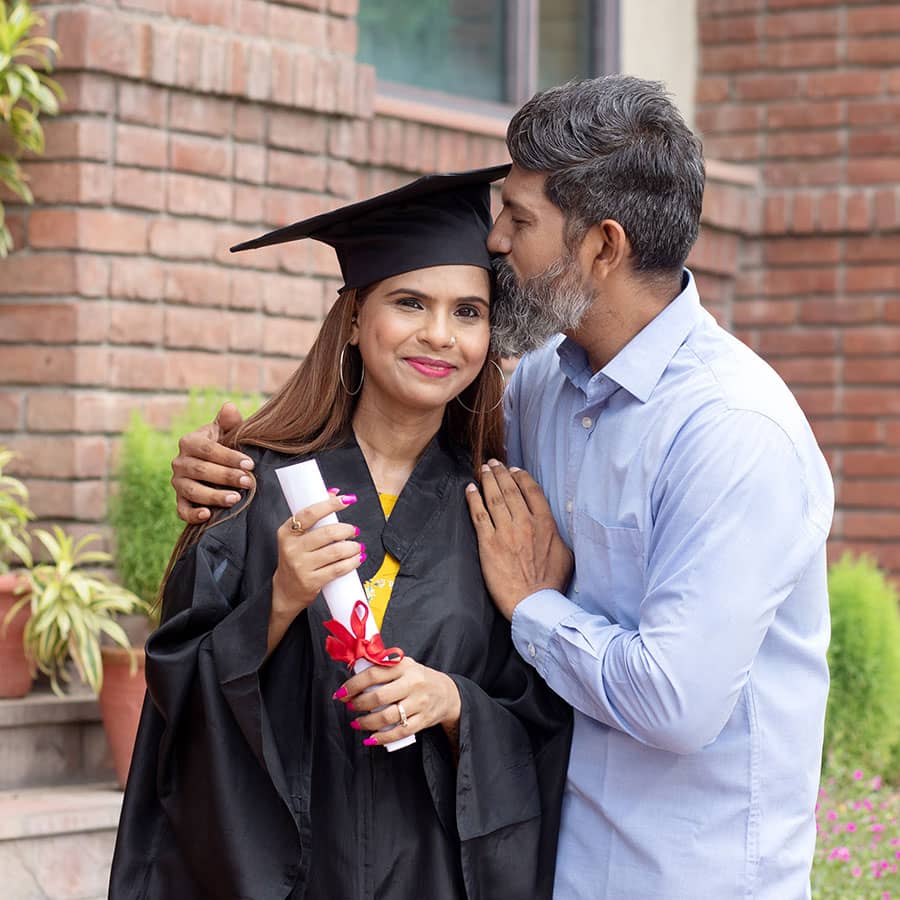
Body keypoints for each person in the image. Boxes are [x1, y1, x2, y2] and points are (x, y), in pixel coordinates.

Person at [171, 76, 835, 899]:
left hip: (676, 875)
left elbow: (673, 703)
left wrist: (524, 616)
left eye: (519, 220)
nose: (494, 240)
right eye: (410, 301)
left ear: (602, 246)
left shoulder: (734, 433)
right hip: (548, 863)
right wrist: (228, 478)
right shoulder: (540, 396)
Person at [110, 165, 572, 900]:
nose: (439, 335)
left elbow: (540, 720)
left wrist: (452, 703)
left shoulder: (495, 512)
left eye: (468, 312)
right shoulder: (251, 488)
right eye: (410, 302)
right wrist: (280, 598)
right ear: (355, 319)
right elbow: (177, 700)